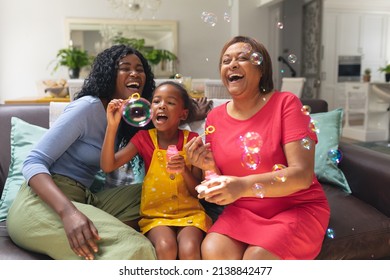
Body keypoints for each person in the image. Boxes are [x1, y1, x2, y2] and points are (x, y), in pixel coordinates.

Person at [185, 36, 330, 260]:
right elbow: (219, 178)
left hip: (294, 207)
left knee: (257, 257)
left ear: (261, 69)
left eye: (242, 58)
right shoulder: (214, 117)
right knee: (212, 249)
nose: (232, 64)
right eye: (226, 61)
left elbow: (302, 175)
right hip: (244, 210)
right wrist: (209, 167)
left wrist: (241, 186)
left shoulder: (287, 104)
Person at [7, 44, 157, 260]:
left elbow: (162, 117)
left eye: (140, 68)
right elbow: (33, 162)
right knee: (136, 249)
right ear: (109, 74)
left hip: (84, 198)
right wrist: (69, 213)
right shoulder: (87, 107)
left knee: (154, 191)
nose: (134, 73)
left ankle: (99, 230)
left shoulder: (126, 117)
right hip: (41, 202)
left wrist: (186, 111)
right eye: (125, 67)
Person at [101, 81, 212, 260]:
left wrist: (184, 170)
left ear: (183, 114)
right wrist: (112, 126)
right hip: (156, 216)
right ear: (150, 110)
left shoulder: (192, 141)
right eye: (157, 101)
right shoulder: (143, 138)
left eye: (170, 102)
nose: (162, 106)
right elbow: (108, 165)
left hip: (190, 214)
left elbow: (198, 192)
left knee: (190, 248)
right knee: (165, 247)